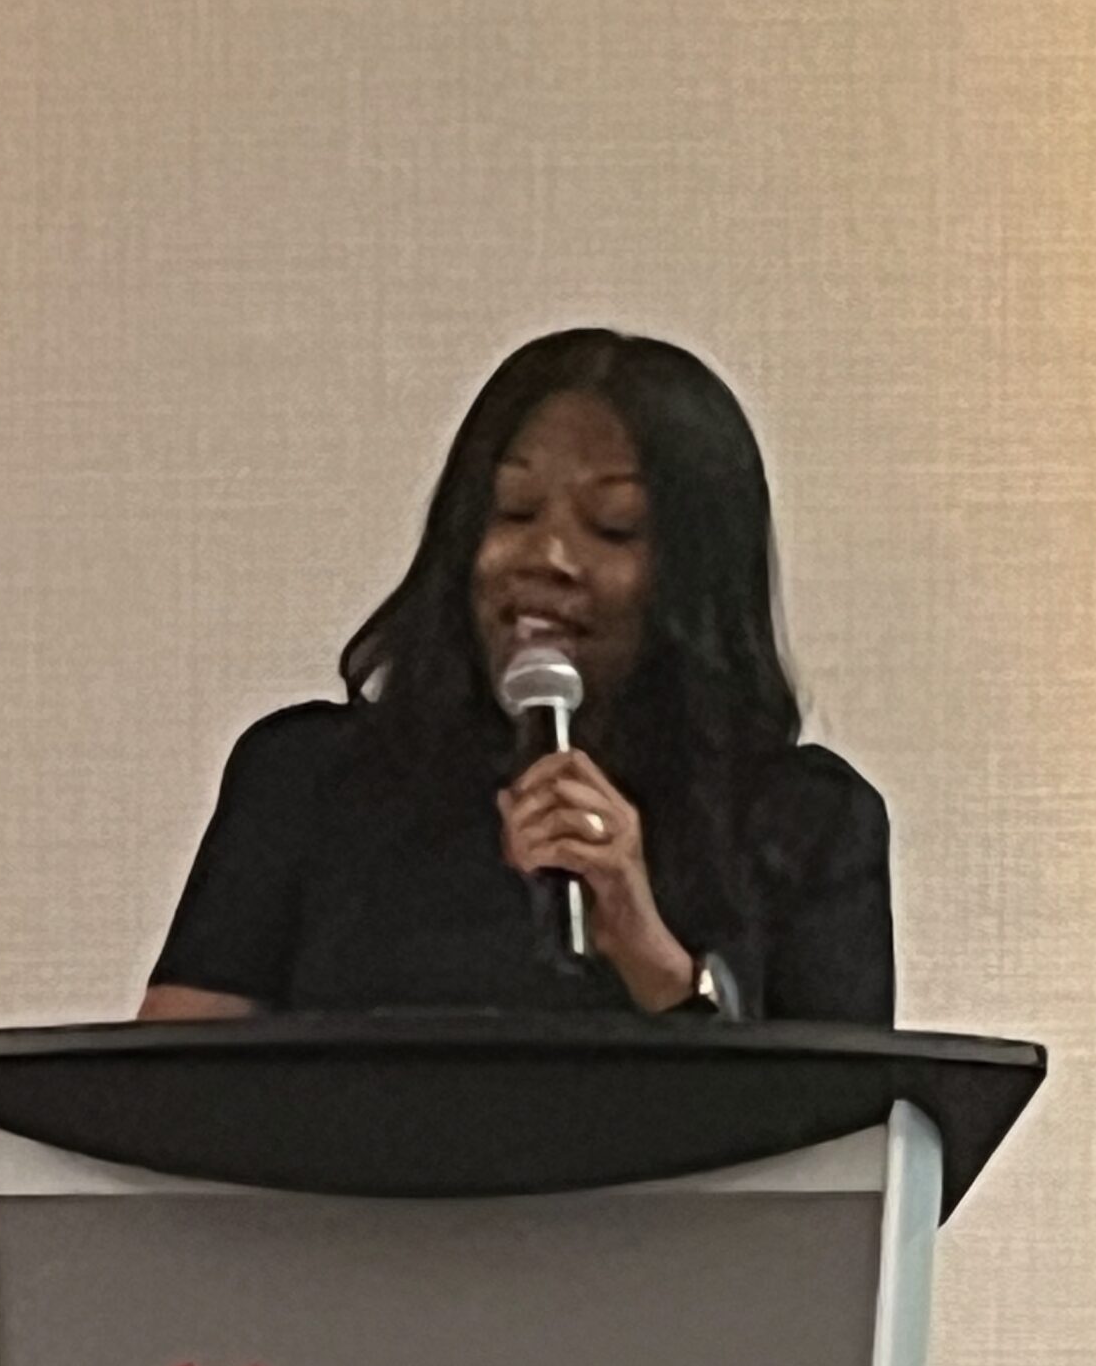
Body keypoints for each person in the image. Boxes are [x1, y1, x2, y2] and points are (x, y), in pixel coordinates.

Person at [140, 328, 894, 1024]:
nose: (547, 558)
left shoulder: (809, 824)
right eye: (513, 512)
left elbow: (837, 1118)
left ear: (695, 576)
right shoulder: (307, 779)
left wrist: (648, 951)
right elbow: (170, 1091)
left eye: (614, 528)